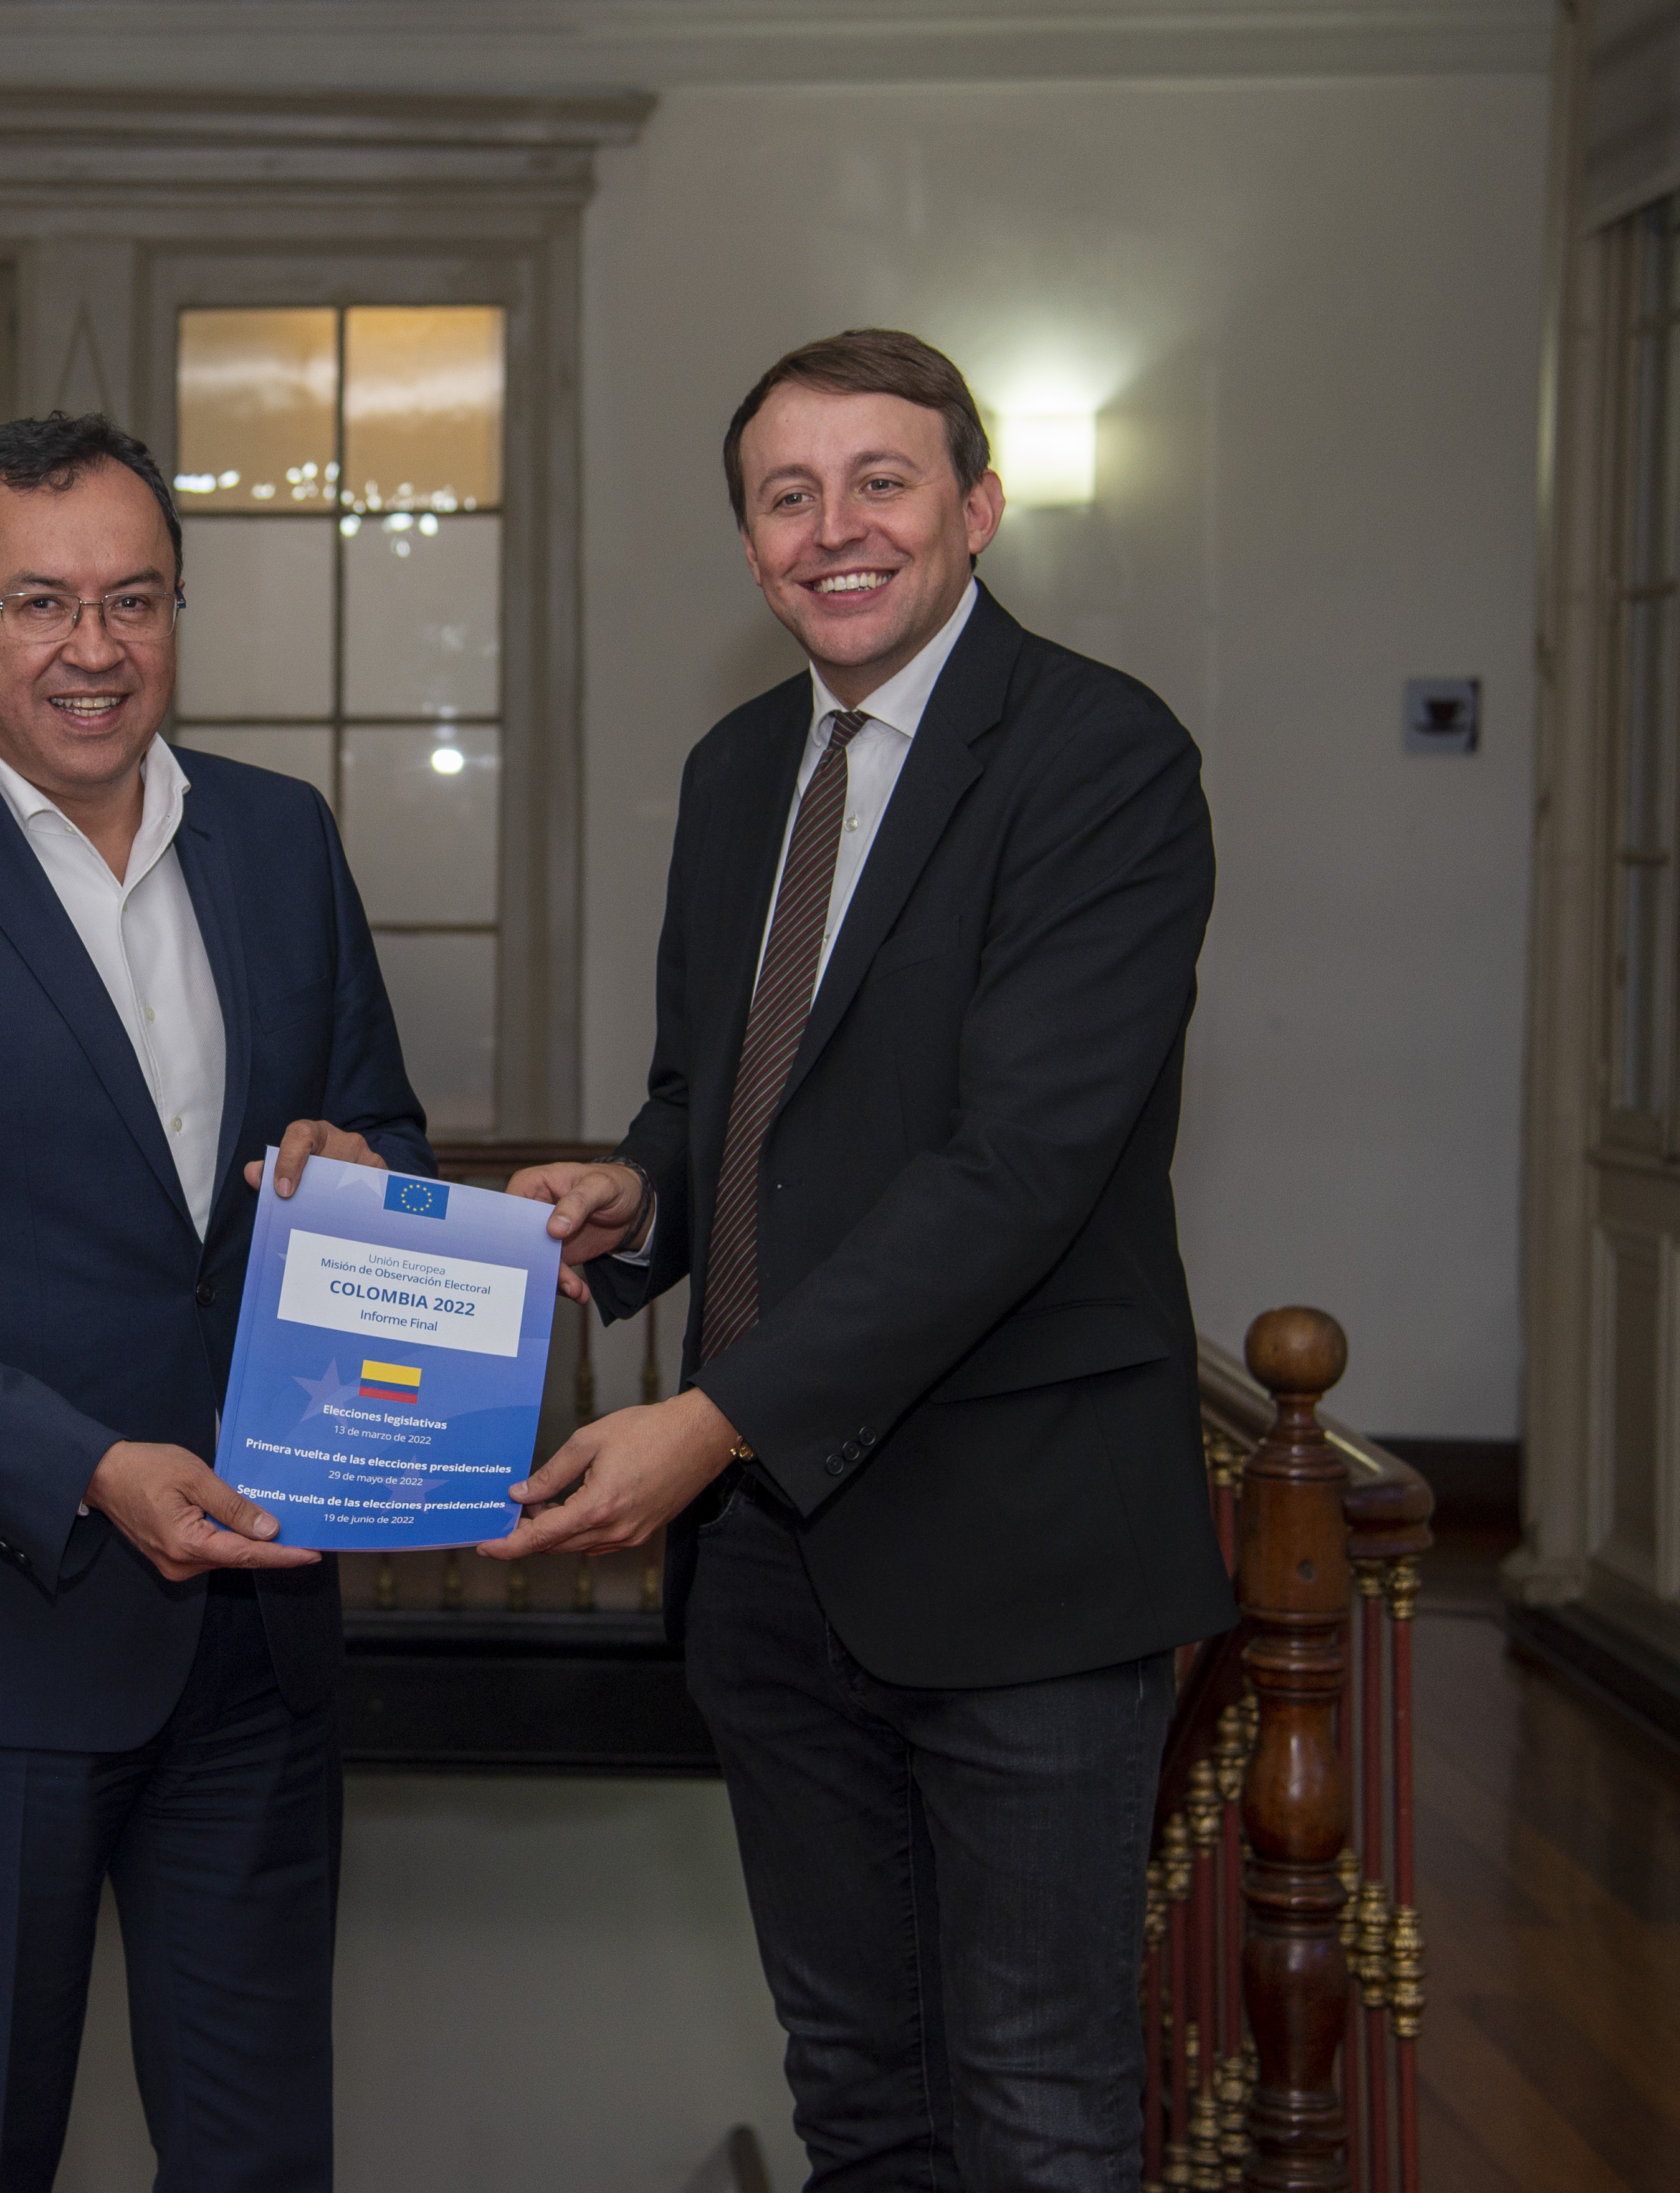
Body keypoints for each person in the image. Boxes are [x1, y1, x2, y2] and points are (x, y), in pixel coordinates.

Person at [494, 331, 1235, 2189]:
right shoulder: (738, 767)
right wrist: (640, 1197)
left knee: (1040, 2108)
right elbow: (720, 1090)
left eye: (880, 482)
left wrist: (709, 1421)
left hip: (1019, 1549)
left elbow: (1018, 1169)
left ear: (976, 507)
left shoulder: (1100, 754)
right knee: (855, 2092)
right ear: (751, 541)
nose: (834, 528)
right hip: (767, 1571)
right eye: (787, 495)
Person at [0, 412, 431, 2192]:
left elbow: (387, 1139)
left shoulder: (279, 840)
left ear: (177, 610)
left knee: (261, 2158)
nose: (91, 647)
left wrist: (355, 1172)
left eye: (132, 599)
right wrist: (88, 1469)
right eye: (37, 602)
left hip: (256, 1640)